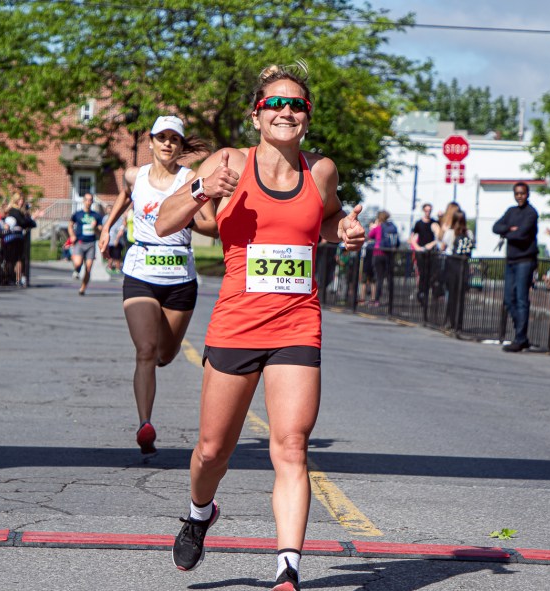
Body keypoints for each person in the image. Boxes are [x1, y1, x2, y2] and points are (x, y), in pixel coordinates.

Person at [152, 65, 365, 591]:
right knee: (211, 451)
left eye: (297, 105)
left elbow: (327, 219)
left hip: (298, 323)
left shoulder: (321, 170)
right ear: (256, 115)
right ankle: (200, 513)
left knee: (292, 446)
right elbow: (163, 221)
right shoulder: (228, 162)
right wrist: (201, 187)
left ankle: (287, 569)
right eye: (275, 104)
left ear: (307, 117)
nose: (286, 112)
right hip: (237, 323)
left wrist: (346, 229)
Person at [96, 115, 215, 456]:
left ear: (180, 146)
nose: (167, 143)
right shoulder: (135, 175)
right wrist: (107, 227)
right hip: (141, 271)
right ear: (150, 142)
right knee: (146, 351)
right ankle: (144, 424)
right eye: (161, 137)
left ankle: (163, 359)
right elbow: (126, 196)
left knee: (165, 354)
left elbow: (213, 225)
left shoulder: (191, 179)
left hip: (179, 277)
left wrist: (186, 218)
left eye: (174, 139)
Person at [493, 181, 538, 352]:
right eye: (517, 193)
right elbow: (495, 227)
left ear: (528, 194)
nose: (519, 196)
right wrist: (508, 229)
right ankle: (521, 334)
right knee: (508, 299)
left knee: (521, 299)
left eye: (522, 193)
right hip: (511, 260)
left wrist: (507, 233)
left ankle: (520, 338)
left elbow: (521, 234)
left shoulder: (531, 213)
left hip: (525, 260)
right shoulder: (511, 211)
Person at [68, 193, 102, 296]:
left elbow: (100, 232)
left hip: (91, 243)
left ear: (92, 202)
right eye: (86, 200)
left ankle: (83, 288)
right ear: (83, 201)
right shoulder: (77, 214)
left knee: (88, 268)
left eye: (90, 200)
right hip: (79, 242)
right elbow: (70, 225)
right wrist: (72, 235)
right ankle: (76, 270)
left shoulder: (96, 216)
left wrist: (95, 227)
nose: (88, 202)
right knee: (78, 263)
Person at [409, 202, 438, 304]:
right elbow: (412, 238)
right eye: (426, 210)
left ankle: (428, 293)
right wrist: (417, 248)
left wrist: (431, 244)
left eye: (429, 210)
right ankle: (421, 293)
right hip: (421, 252)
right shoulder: (418, 223)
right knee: (422, 273)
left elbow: (439, 238)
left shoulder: (434, 223)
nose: (428, 212)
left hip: (431, 253)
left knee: (431, 274)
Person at [366, 210, 397, 306]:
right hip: (388, 254)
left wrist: (374, 226)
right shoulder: (392, 227)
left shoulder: (378, 228)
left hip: (378, 253)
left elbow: (369, 236)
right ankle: (391, 300)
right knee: (389, 278)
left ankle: (377, 300)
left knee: (379, 278)